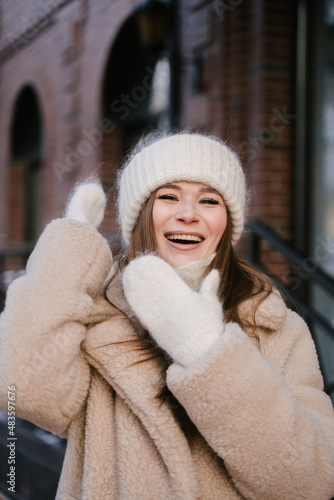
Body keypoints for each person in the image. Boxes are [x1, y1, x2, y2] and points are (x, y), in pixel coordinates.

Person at [0, 131, 334, 500]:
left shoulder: (275, 325)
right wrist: (69, 250)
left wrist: (210, 355)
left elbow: (312, 481)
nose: (188, 214)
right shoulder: (95, 315)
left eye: (209, 200)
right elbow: (19, 387)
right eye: (169, 197)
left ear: (228, 223)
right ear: (141, 215)